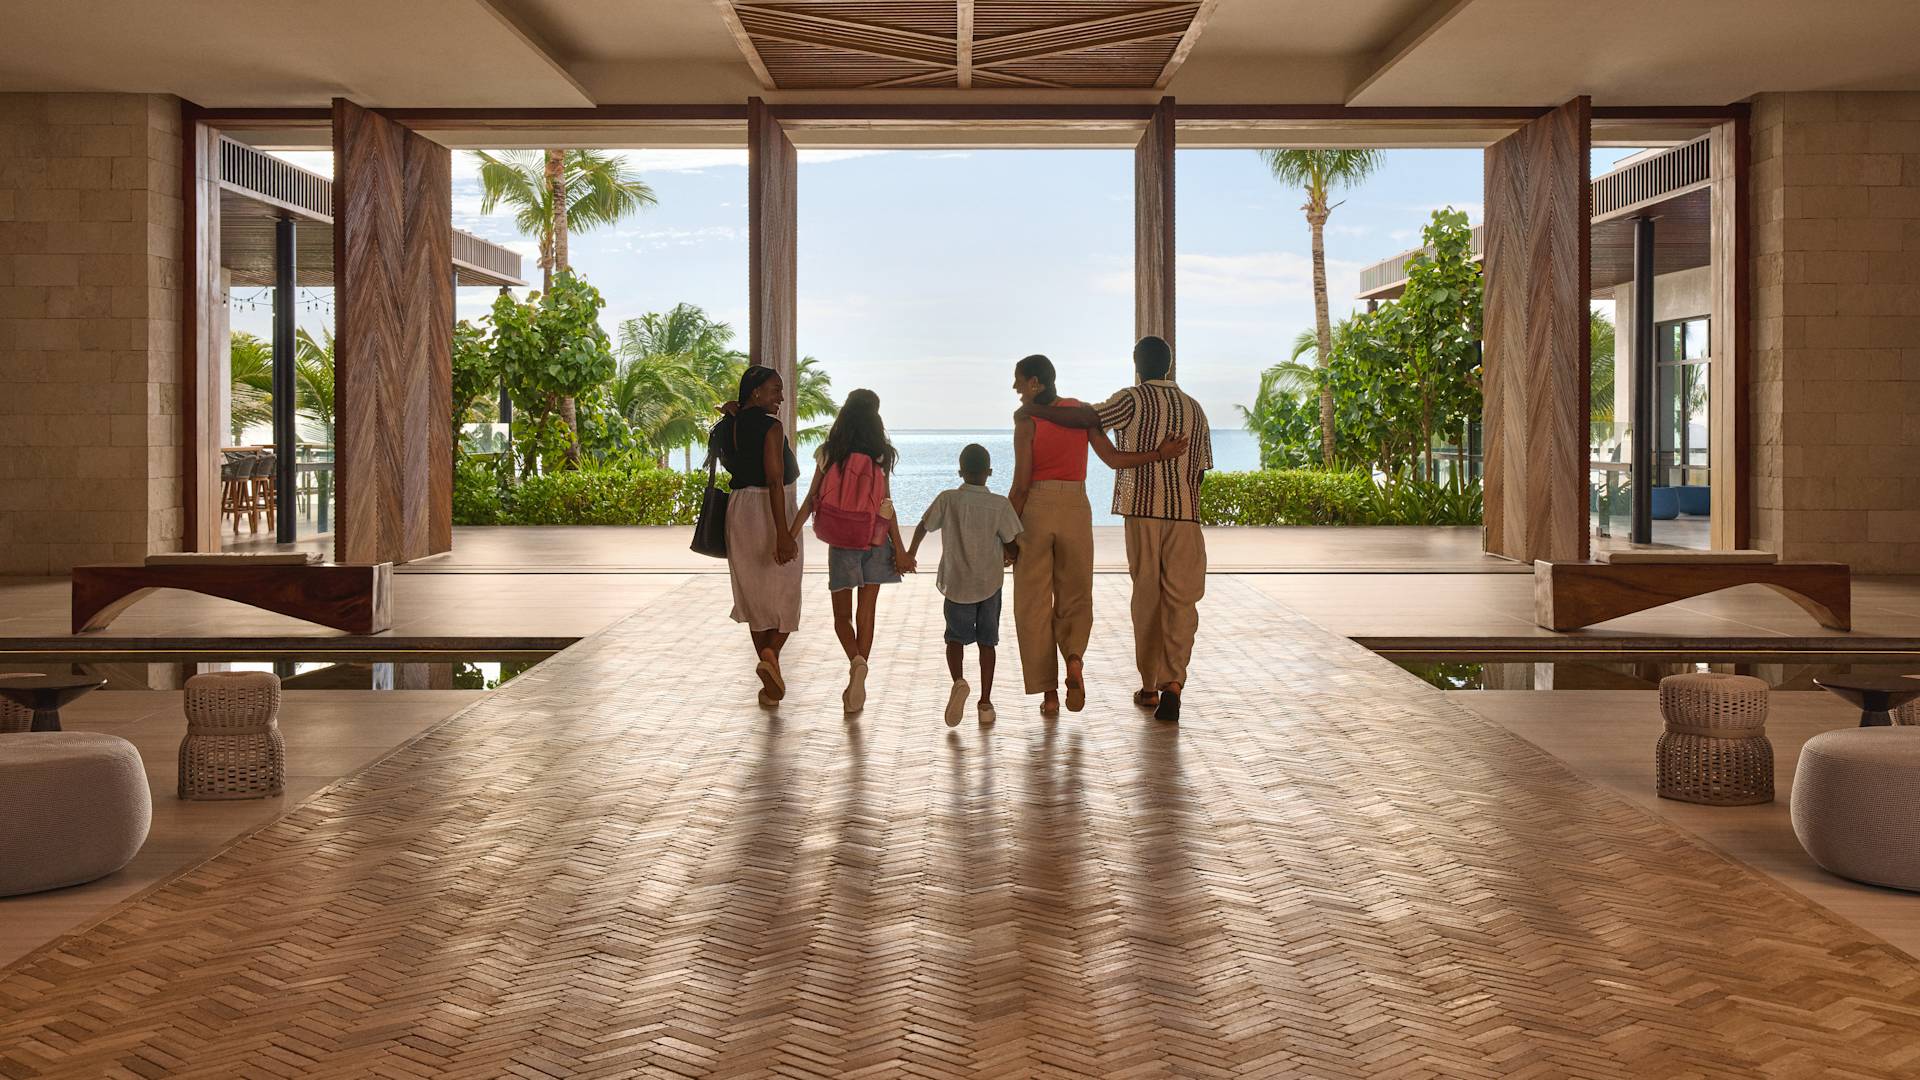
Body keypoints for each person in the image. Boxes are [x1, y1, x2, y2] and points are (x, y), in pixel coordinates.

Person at [1016, 337, 1212, 722]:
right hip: (1186, 516)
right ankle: (1174, 682)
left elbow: (1088, 418)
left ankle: (1149, 685)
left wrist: (1037, 411)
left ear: (1137, 365)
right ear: (1169, 366)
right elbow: (1201, 470)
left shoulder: (1132, 400)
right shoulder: (1196, 409)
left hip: (1141, 512)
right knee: (1181, 600)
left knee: (1147, 599)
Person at [792, 388, 916, 715]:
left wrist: (790, 536)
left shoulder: (829, 452)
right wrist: (900, 550)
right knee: (867, 612)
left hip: (842, 541)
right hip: (875, 539)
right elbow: (887, 505)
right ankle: (859, 672)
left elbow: (809, 501)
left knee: (841, 617)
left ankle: (856, 662)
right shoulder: (880, 454)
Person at [906, 444, 1024, 727]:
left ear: (960, 472)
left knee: (954, 638)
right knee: (988, 642)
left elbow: (924, 525)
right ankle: (985, 702)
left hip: (958, 583)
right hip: (989, 583)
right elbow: (1012, 542)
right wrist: (1011, 556)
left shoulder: (948, 499)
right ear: (990, 472)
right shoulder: (999, 504)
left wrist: (910, 553)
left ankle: (958, 680)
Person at [709, 365, 802, 706]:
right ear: (756, 392)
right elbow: (775, 481)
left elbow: (726, 409)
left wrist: (730, 407)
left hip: (739, 510)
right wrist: (783, 534)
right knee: (786, 592)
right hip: (768, 509)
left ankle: (769, 685)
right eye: (775, 389)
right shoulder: (771, 427)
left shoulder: (729, 425)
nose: (780, 395)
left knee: (754, 597)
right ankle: (770, 653)